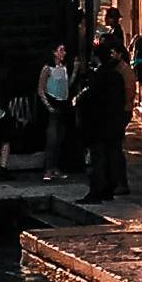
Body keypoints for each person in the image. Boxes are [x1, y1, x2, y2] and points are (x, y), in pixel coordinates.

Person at [78, 45, 132, 203]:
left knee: (98, 158)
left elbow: (90, 100)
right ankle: (109, 189)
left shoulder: (99, 77)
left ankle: (97, 191)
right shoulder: (117, 76)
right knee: (111, 155)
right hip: (114, 122)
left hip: (99, 124)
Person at [38, 43, 73, 183]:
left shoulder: (63, 68)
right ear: (54, 52)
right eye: (61, 50)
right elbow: (40, 88)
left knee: (60, 138)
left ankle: (55, 167)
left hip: (62, 104)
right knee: (51, 139)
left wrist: (75, 71)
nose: (63, 53)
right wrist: (48, 106)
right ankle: (48, 169)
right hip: (52, 104)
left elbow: (65, 86)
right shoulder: (47, 68)